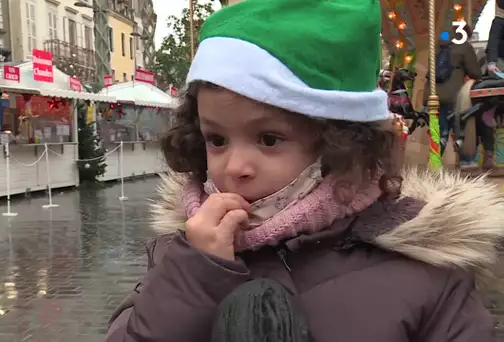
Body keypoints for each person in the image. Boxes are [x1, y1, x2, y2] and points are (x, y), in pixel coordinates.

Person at [106, 1, 504, 341]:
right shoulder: (183, 255)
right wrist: (193, 275)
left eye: (269, 139)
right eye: (217, 139)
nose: (235, 167)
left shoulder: (426, 272)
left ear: (339, 144)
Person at [428, 23, 482, 168]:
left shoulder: (439, 45)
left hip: (434, 93)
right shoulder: (464, 47)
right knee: (461, 128)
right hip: (454, 94)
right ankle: (465, 159)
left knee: (440, 130)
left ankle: (435, 161)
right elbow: (475, 72)